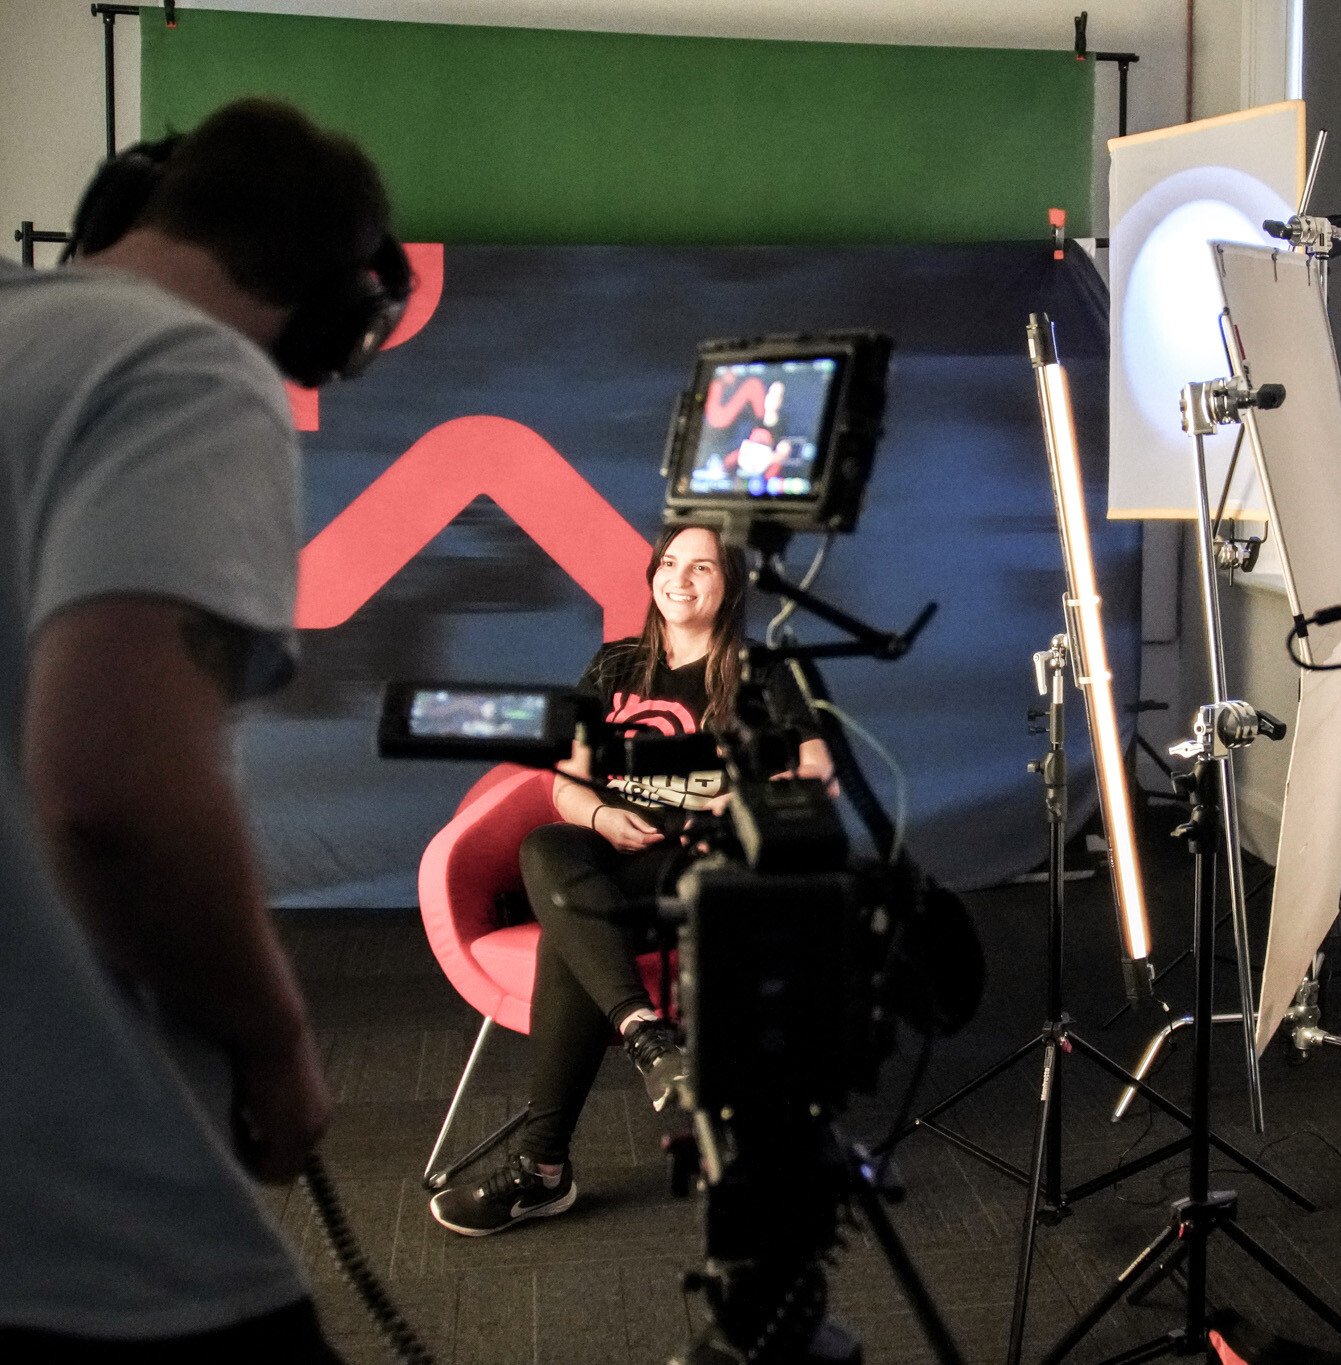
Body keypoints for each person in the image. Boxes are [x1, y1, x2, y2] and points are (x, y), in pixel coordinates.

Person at [0, 101, 404, 1357]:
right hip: (79, 1216)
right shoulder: (185, 371)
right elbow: (116, 794)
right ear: (338, 310)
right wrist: (275, 1043)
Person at [429, 522, 835, 1236]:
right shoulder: (617, 665)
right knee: (549, 847)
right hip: (614, 853)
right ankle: (648, 1035)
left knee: (569, 928)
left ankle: (542, 1168)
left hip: (702, 862)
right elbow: (566, 781)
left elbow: (818, 769)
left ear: (730, 583)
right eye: (670, 563)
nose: (680, 578)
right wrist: (601, 815)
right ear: (651, 575)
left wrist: (736, 799)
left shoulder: (765, 671)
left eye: (702, 566)